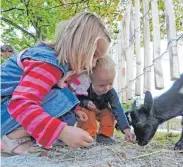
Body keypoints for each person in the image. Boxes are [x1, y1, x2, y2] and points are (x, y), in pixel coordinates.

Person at [1, 12, 111, 155]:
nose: (94, 63)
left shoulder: (57, 64)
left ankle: (21, 135)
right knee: (62, 97)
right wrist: (62, 131)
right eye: (94, 55)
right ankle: (11, 139)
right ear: (80, 44)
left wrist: (75, 110)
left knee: (67, 103)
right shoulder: (48, 63)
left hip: (7, 111)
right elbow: (22, 102)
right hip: (6, 111)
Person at [73, 56, 135, 145]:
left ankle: (104, 135)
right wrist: (85, 103)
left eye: (110, 83)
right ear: (91, 81)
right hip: (86, 110)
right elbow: (77, 100)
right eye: (101, 85)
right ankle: (87, 136)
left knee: (109, 113)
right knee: (88, 114)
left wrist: (126, 129)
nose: (106, 88)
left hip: (100, 109)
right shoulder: (84, 88)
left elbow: (118, 109)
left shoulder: (111, 92)